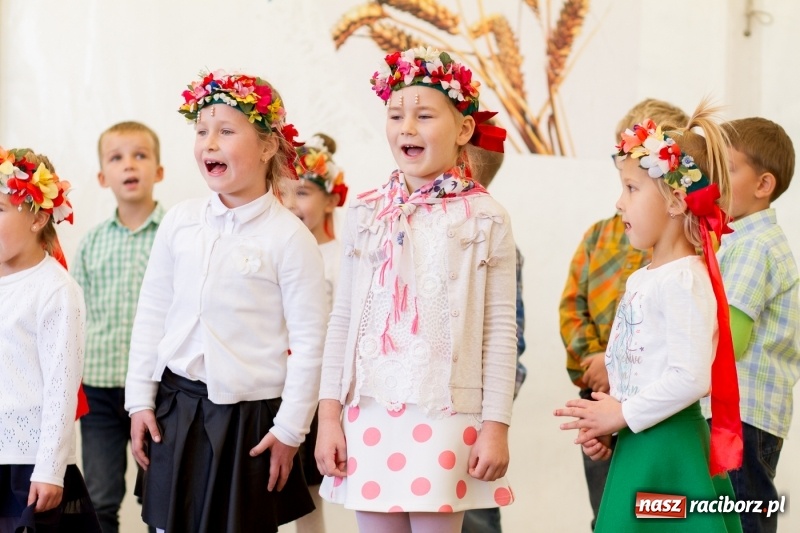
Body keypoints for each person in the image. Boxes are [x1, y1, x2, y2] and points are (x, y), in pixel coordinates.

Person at [315, 47, 517, 533]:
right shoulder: (366, 214)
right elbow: (342, 320)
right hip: (369, 409)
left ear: (464, 130)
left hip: (445, 411)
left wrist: (496, 426)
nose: (407, 127)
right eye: (395, 114)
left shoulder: (485, 217)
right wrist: (327, 416)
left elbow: (499, 330)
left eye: (425, 115)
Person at [124, 71, 328, 533]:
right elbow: (152, 313)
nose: (208, 142)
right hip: (174, 406)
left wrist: (291, 429)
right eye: (201, 131)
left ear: (268, 146)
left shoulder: (289, 238)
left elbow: (311, 342)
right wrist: (139, 400)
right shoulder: (180, 222)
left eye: (226, 131)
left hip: (249, 423)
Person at [555, 103, 744, 532]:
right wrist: (610, 424)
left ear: (677, 200)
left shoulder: (683, 281)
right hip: (641, 444)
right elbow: (641, 366)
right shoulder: (646, 277)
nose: (618, 202)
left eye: (632, 189)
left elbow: (691, 377)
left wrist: (621, 415)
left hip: (669, 453)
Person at [558, 98, 688, 529]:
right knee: (610, 512)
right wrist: (597, 361)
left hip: (658, 406)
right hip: (600, 396)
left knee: (657, 515)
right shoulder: (598, 235)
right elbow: (572, 306)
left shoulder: (685, 260)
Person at [700, 117, 799, 533]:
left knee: (741, 521)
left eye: (730, 168)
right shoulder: (744, 240)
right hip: (744, 416)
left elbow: (731, 341)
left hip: (739, 417)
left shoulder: (752, 246)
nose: (717, 178)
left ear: (763, 185)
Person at [0, 147, 101, 533]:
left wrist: (50, 468)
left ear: (39, 216)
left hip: (27, 464)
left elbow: (61, 388)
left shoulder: (55, 290)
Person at [73, 121, 164, 533]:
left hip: (159, 390)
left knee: (160, 496)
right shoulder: (92, 242)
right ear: (101, 176)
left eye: (141, 155)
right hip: (100, 389)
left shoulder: (174, 235)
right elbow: (77, 313)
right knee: (100, 495)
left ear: (159, 171)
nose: (130, 165)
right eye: (117, 158)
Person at [460, 141, 525, 533]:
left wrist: (494, 419)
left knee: (476, 512)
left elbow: (509, 332)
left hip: (479, 405)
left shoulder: (493, 233)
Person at [289, 132, 350, 533]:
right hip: (275, 387)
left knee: (308, 499)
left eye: (305, 193)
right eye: (287, 192)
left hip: (314, 392)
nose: (294, 204)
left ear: (330, 199)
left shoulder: (340, 257)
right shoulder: (278, 251)